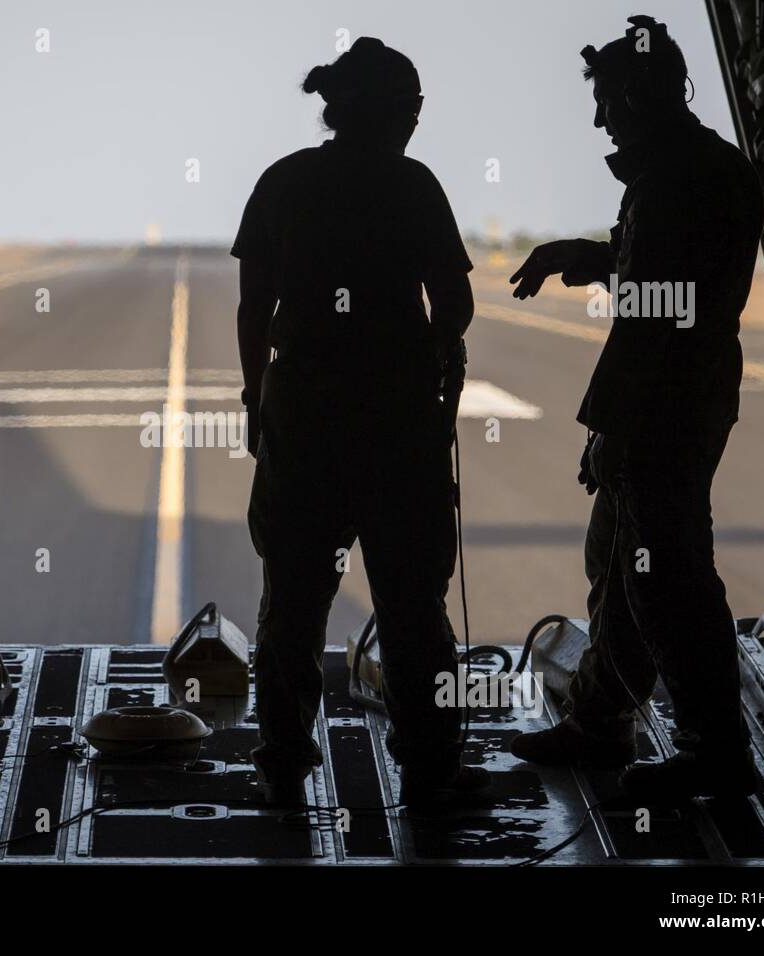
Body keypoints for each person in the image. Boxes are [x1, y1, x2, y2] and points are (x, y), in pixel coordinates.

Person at [507, 15, 764, 800]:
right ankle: (599, 719)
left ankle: (713, 751)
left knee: (667, 577)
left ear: (639, 96)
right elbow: (657, 277)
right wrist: (582, 255)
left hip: (665, 403)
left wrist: (611, 432)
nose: (599, 119)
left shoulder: (673, 181)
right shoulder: (702, 167)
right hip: (690, 391)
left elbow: (652, 321)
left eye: (607, 101)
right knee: (624, 562)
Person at [233, 37, 482, 807]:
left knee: (293, 600)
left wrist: (254, 401)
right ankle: (431, 762)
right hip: (399, 423)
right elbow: (457, 304)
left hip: (303, 417)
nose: (415, 120)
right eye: (411, 106)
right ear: (394, 111)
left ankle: (281, 758)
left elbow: (252, 310)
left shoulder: (284, 182)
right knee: (413, 608)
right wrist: (429, 365)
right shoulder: (413, 186)